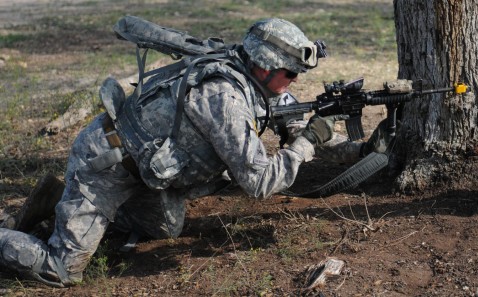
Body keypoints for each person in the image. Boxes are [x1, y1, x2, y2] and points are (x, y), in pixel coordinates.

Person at [0, 18, 388, 287]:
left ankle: (61, 208)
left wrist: (363, 150)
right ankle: (47, 215)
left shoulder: (259, 83)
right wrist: (309, 142)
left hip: (146, 174)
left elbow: (302, 129)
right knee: (63, 271)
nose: (295, 80)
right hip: (104, 165)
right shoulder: (225, 98)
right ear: (266, 66)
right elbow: (259, 182)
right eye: (290, 72)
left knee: (167, 228)